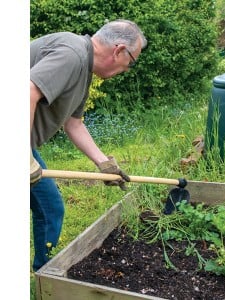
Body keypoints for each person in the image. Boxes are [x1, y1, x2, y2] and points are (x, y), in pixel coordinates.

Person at [30, 19, 148, 271]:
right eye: (131, 62)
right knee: (49, 205)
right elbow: (27, 91)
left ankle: (45, 271)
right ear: (118, 51)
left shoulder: (84, 70)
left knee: (49, 206)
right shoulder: (71, 55)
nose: (127, 69)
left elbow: (74, 124)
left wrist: (103, 163)